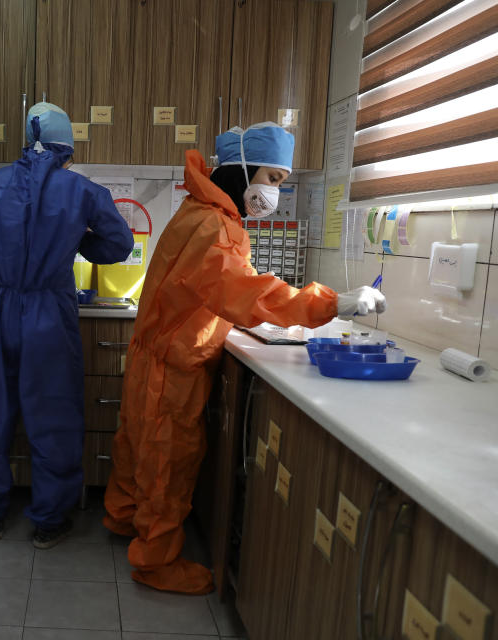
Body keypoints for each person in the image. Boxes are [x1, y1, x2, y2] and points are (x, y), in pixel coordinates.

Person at [103, 122, 386, 593]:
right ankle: (155, 562)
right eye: (272, 179)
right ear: (242, 169)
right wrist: (330, 304)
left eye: (281, 182)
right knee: (167, 463)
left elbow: (228, 288)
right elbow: (246, 292)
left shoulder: (206, 213)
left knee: (138, 449)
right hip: (172, 369)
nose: (274, 192)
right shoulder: (213, 225)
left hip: (157, 357)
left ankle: (123, 517)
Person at [0, 103, 134, 548]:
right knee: (52, 412)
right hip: (49, 312)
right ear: (67, 149)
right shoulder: (81, 191)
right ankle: (49, 521)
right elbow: (119, 244)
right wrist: (78, 239)